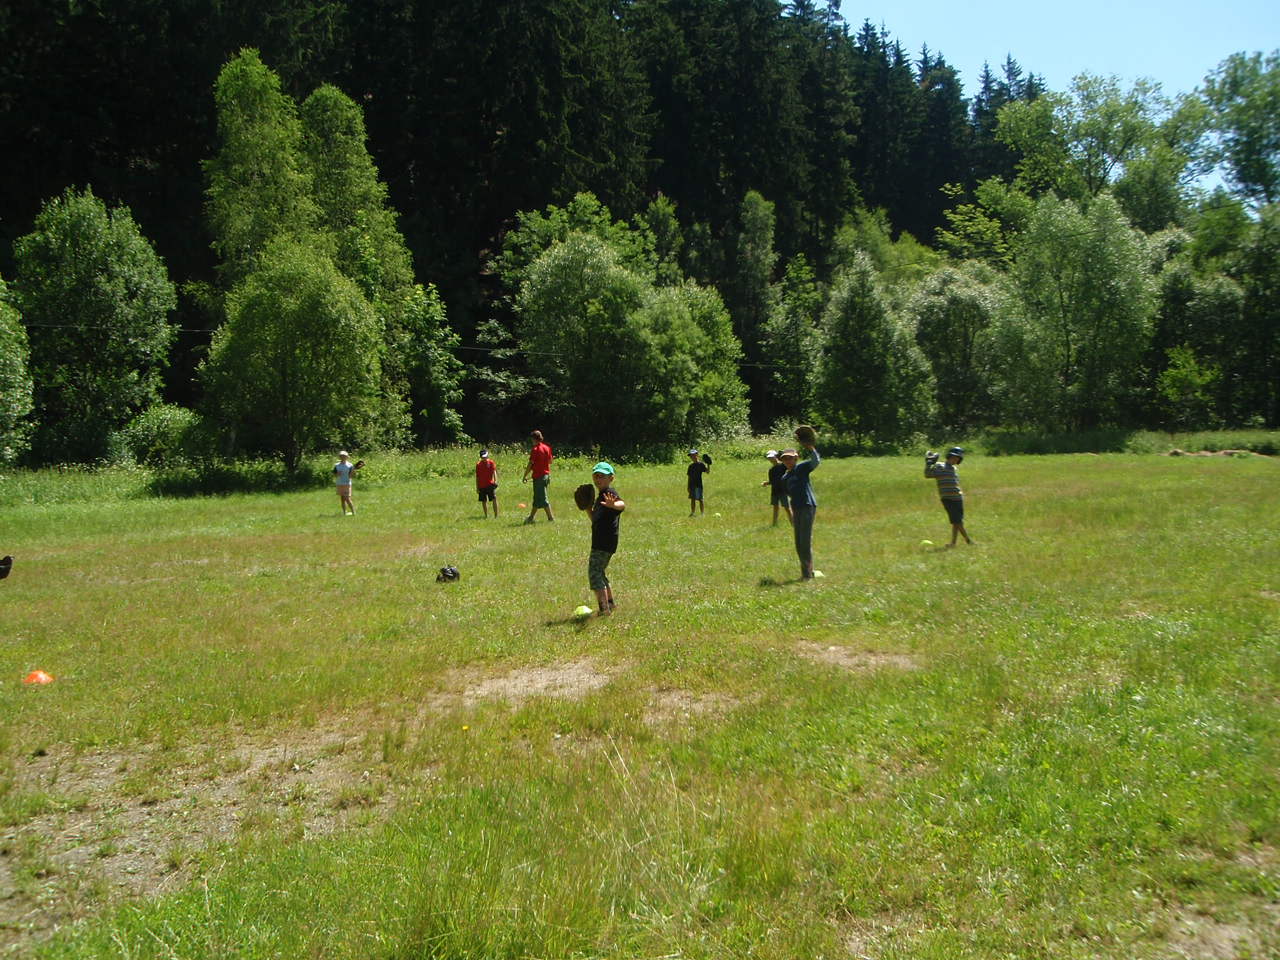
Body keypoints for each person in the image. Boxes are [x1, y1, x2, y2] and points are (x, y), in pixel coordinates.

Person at [581, 461, 625, 616]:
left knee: (594, 573)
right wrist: (588, 508)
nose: (598, 479)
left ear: (611, 478)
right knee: (599, 572)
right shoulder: (600, 497)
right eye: (596, 476)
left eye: (602, 476)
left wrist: (613, 505)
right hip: (603, 541)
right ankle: (610, 604)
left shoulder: (609, 494)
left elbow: (622, 505)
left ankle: (604, 609)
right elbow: (595, 519)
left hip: (603, 542)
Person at [779, 440, 821, 579]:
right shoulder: (785, 477)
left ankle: (807, 574)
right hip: (796, 508)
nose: (787, 460)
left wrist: (810, 448)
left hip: (807, 506)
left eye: (790, 458)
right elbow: (787, 494)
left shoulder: (801, 468)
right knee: (798, 542)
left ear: (796, 458)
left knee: (805, 541)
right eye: (785, 458)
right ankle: (808, 571)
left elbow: (815, 462)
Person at [924, 446, 973, 546]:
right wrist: (929, 464)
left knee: (957, 522)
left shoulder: (954, 468)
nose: (956, 460)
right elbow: (928, 475)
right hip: (948, 499)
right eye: (954, 457)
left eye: (958, 458)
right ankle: (968, 541)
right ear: (949, 456)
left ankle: (953, 543)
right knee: (957, 522)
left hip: (958, 498)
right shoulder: (940, 466)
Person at [521, 429, 554, 524]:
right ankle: (531, 518)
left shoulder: (535, 450)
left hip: (539, 477)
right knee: (537, 498)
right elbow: (550, 461)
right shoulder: (547, 448)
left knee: (543, 498)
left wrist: (525, 475)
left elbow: (530, 464)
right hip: (546, 476)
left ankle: (551, 518)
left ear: (534, 439)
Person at [761, 449, 792, 527]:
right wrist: (766, 483)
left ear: (776, 456)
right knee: (775, 507)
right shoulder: (771, 470)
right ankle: (774, 524)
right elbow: (772, 481)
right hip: (774, 491)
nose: (771, 459)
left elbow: (790, 472)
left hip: (783, 490)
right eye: (769, 458)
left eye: (772, 457)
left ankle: (793, 523)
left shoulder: (783, 466)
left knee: (787, 508)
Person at [333, 450, 362, 515]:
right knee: (342, 499)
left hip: (347, 483)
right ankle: (344, 512)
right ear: (339, 457)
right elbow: (334, 474)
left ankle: (353, 512)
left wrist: (353, 471)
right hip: (339, 483)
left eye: (344, 456)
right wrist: (337, 474)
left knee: (347, 498)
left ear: (347, 457)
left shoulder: (350, 465)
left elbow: (351, 476)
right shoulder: (336, 465)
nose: (342, 457)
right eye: (341, 456)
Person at [475, 448, 499, 518]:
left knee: (494, 499)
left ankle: (496, 516)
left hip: (490, 484)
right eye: (483, 457)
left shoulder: (491, 463)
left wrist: (495, 481)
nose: (484, 458)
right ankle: (486, 515)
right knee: (484, 501)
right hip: (482, 485)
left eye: (485, 457)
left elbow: (494, 472)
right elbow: (477, 477)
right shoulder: (478, 464)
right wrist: (477, 487)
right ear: (480, 457)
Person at [686, 448, 710, 516]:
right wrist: (688, 486)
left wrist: (708, 464)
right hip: (692, 485)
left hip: (698, 485)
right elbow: (689, 477)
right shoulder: (690, 466)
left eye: (693, 455)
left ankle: (702, 513)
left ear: (697, 455)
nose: (692, 457)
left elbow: (707, 472)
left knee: (700, 499)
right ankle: (692, 513)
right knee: (692, 499)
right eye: (691, 456)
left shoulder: (701, 464)